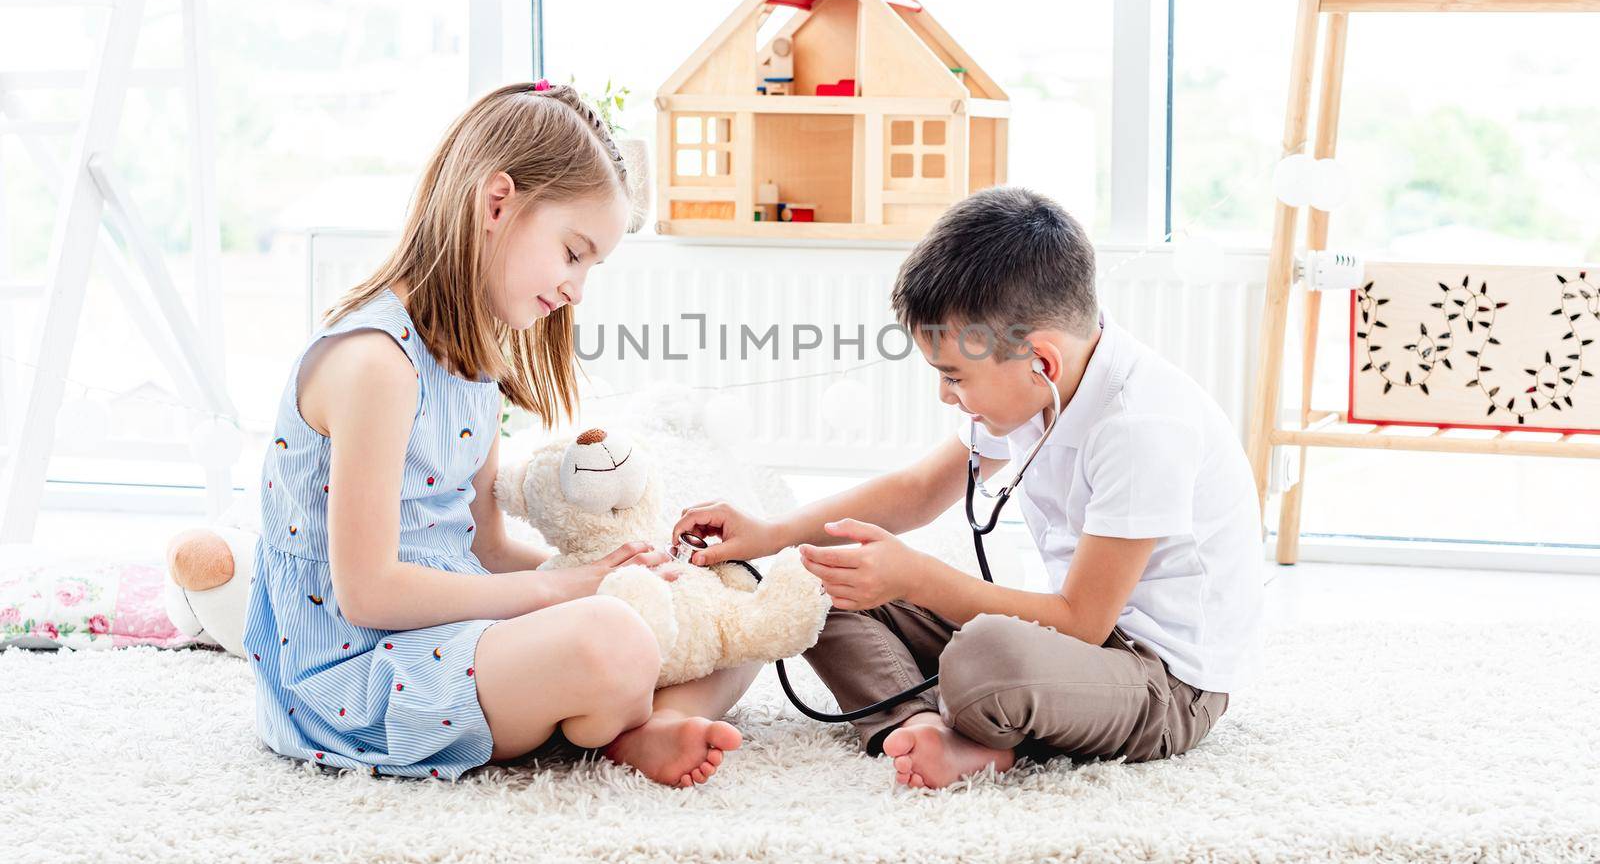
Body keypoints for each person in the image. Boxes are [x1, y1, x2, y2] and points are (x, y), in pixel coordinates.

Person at [239, 81, 752, 786]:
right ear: (496, 203)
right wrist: (569, 591)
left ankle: (645, 721)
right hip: (363, 673)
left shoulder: (473, 362)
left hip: (455, 634)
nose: (577, 290)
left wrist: (615, 571)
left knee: (733, 601)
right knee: (612, 638)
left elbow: (482, 547)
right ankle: (619, 714)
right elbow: (370, 593)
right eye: (573, 254)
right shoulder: (375, 365)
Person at [673, 186, 1263, 789]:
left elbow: (1082, 622)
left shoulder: (1140, 427)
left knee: (986, 660)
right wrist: (772, 533)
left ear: (1042, 363)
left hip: (1163, 682)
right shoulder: (1039, 387)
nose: (946, 396)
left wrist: (918, 579)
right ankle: (917, 727)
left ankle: (973, 730)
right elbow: (920, 489)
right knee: (816, 585)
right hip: (1070, 651)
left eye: (954, 377)